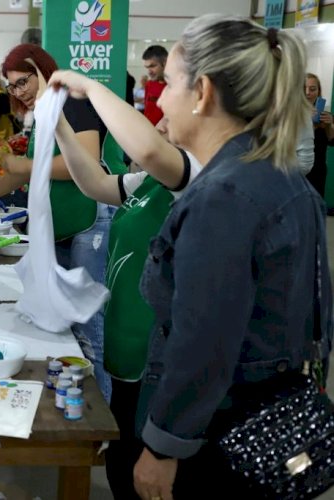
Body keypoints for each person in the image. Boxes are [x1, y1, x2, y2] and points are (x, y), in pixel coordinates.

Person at [128, 17, 331, 499]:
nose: (159, 98)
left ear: (201, 92)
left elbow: (203, 342)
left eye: (170, 83)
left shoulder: (225, 198)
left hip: (218, 433)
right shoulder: (276, 177)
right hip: (268, 410)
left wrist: (163, 448)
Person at [47, 71, 202, 500]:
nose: (160, 117)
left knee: (144, 473)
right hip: (126, 347)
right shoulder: (149, 184)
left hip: (156, 354)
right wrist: (58, 121)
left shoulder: (194, 179)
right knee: (122, 465)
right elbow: (94, 183)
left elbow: (151, 150)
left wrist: (91, 90)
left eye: (170, 95)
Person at [0, 44, 113, 403]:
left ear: (43, 70)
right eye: (11, 86)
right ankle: (75, 406)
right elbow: (23, 172)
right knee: (62, 325)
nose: (19, 92)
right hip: (61, 227)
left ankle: (101, 416)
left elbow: (86, 163)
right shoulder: (43, 113)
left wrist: (23, 167)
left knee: (89, 327)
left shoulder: (72, 102)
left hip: (89, 224)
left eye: (23, 82)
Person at [304, 72, 334, 198]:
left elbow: (332, 141)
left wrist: (329, 125)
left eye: (312, 89)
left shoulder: (325, 115)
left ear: (318, 91)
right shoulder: (291, 115)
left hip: (318, 171)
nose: (307, 93)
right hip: (298, 170)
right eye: (304, 88)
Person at [142, 45, 167, 126]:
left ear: (165, 63)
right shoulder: (149, 84)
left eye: (152, 66)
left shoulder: (175, 86)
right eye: (147, 67)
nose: (149, 71)